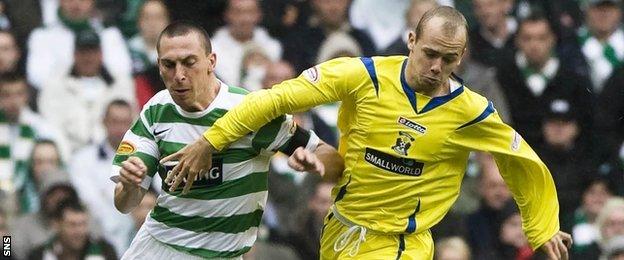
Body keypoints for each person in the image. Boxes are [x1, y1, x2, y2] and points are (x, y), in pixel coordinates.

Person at [165, 6, 572, 259]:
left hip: (400, 244)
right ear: (411, 41)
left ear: (461, 57)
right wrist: (209, 141)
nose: (435, 67)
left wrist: (542, 226)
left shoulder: (471, 111)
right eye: (429, 53)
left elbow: (521, 162)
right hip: (340, 227)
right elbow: (273, 100)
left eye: (448, 59)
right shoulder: (364, 75)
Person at [111, 22, 344, 259]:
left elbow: (332, 160)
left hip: (225, 254)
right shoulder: (156, 110)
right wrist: (130, 185)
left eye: (189, 63)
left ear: (211, 61)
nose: (179, 75)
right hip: (158, 248)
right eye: (169, 65)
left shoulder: (251, 110)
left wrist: (316, 163)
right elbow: (125, 204)